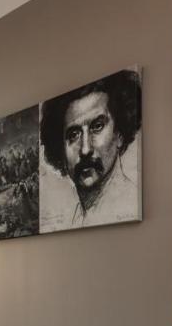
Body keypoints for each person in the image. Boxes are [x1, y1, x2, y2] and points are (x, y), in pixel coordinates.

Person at [39, 69, 141, 227]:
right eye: (74, 135)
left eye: (97, 126)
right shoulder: (75, 221)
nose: (85, 150)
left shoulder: (128, 207)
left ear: (120, 134)